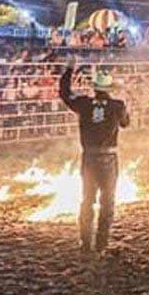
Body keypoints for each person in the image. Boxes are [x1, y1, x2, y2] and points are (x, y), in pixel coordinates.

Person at [59, 55, 130, 255]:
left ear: (95, 87)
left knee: (87, 199)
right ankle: (101, 244)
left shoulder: (84, 103)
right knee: (107, 202)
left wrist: (69, 69)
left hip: (89, 158)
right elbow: (126, 123)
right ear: (108, 88)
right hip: (108, 159)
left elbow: (65, 94)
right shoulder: (117, 106)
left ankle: (85, 242)